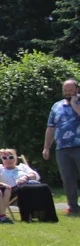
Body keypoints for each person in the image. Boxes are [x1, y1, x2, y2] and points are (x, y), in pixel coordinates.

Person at [43, 79, 80, 215]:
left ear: (77, 89)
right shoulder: (56, 106)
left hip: (79, 146)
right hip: (62, 148)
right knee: (67, 179)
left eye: (70, 90)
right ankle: (73, 206)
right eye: (65, 91)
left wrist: (75, 105)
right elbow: (51, 128)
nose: (68, 93)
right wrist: (46, 147)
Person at [0, 148, 42, 222]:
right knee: (25, 189)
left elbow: (35, 176)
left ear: (15, 158)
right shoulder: (0, 168)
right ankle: (26, 217)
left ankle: (45, 216)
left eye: (11, 157)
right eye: (5, 158)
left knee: (43, 187)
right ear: (2, 160)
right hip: (11, 192)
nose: (8, 160)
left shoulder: (22, 167)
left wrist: (25, 177)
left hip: (27, 188)